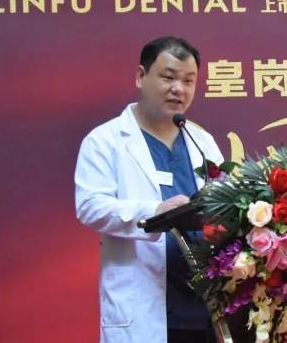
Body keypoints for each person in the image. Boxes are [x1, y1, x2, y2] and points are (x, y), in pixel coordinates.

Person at [75, 36, 225, 343]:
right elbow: (90, 206)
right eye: (168, 78)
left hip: (204, 309)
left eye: (188, 81)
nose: (179, 89)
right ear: (141, 76)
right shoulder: (105, 141)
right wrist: (154, 212)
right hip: (145, 306)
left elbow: (223, 204)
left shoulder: (202, 141)